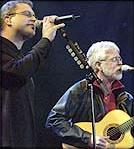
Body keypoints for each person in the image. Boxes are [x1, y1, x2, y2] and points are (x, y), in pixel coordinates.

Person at [0, 0, 65, 148]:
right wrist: (46, 39)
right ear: (8, 19)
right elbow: (16, 73)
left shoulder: (18, 58)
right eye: (27, 14)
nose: (34, 19)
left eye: (34, 16)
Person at [45, 41, 134, 149]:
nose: (120, 63)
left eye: (120, 59)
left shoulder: (125, 98)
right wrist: (87, 138)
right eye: (114, 59)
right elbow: (54, 121)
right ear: (98, 65)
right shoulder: (81, 90)